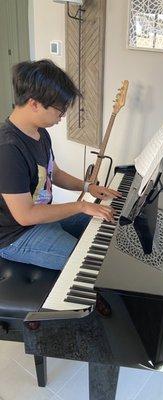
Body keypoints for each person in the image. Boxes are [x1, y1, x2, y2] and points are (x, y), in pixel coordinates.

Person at [0, 59, 121, 270]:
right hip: (15, 235)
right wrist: (81, 205)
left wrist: (88, 187)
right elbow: (25, 215)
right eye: (59, 110)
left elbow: (53, 173)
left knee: (107, 223)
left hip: (41, 217)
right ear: (34, 103)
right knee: (90, 263)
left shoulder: (40, 133)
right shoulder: (8, 149)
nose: (62, 117)